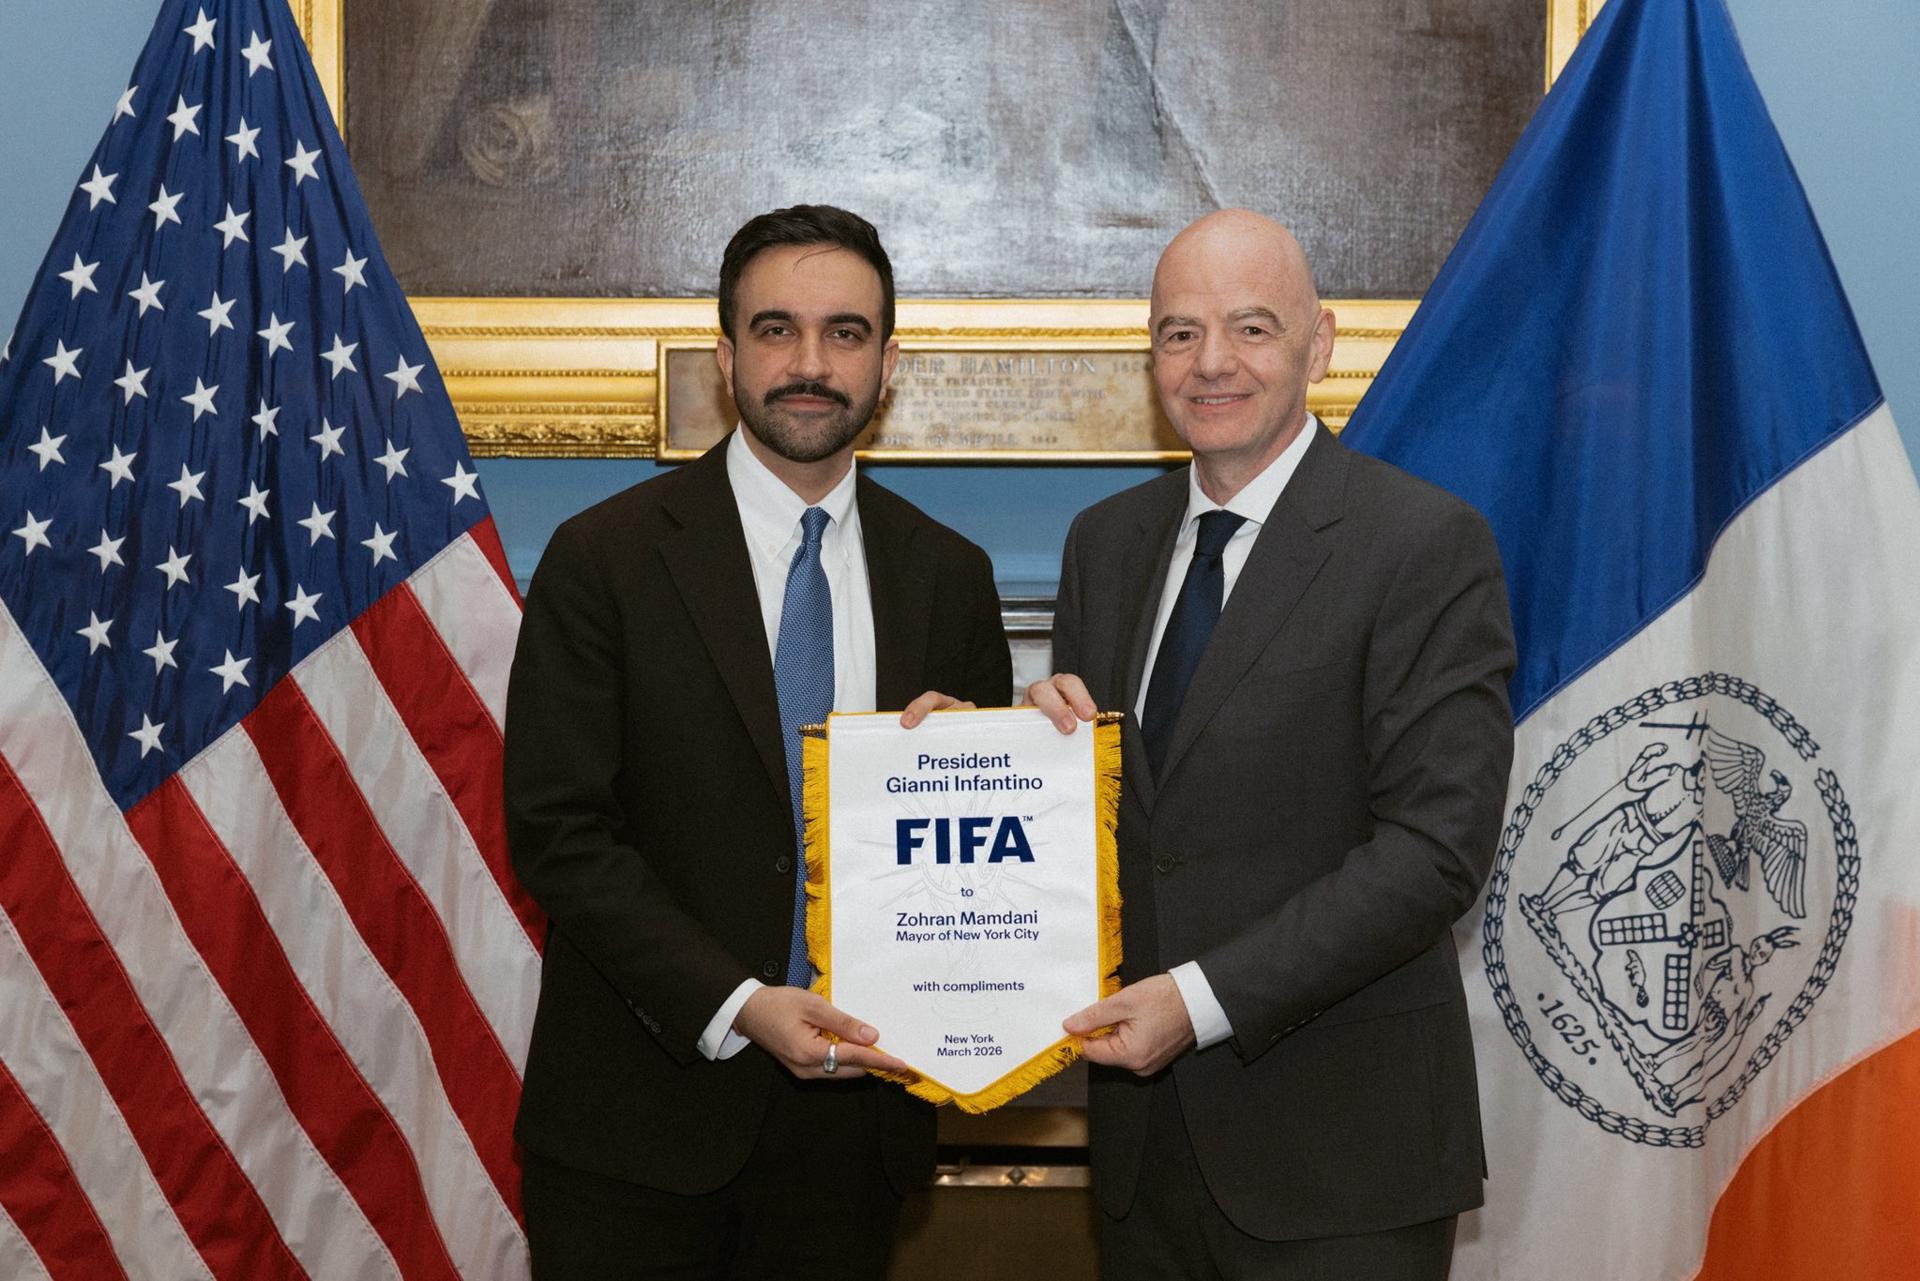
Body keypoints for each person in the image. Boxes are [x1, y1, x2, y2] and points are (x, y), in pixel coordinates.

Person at [504, 204, 1011, 1279]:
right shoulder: (605, 560)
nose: (811, 364)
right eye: (777, 330)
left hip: (854, 1138)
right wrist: (739, 1006)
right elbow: (561, 835)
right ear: (727, 356)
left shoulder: (949, 575)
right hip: (635, 1130)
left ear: (888, 362)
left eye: (846, 332)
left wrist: (994, 773)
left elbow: (972, 856)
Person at [1029, 209, 1517, 1279]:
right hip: (1142, 1160)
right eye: (1178, 333)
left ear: (1320, 342)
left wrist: (1197, 1003)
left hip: (1340, 1162)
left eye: (1251, 328)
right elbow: (1128, 823)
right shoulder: (1104, 544)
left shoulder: (1423, 545)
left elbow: (1434, 851)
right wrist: (1005, 762)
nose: (1212, 364)